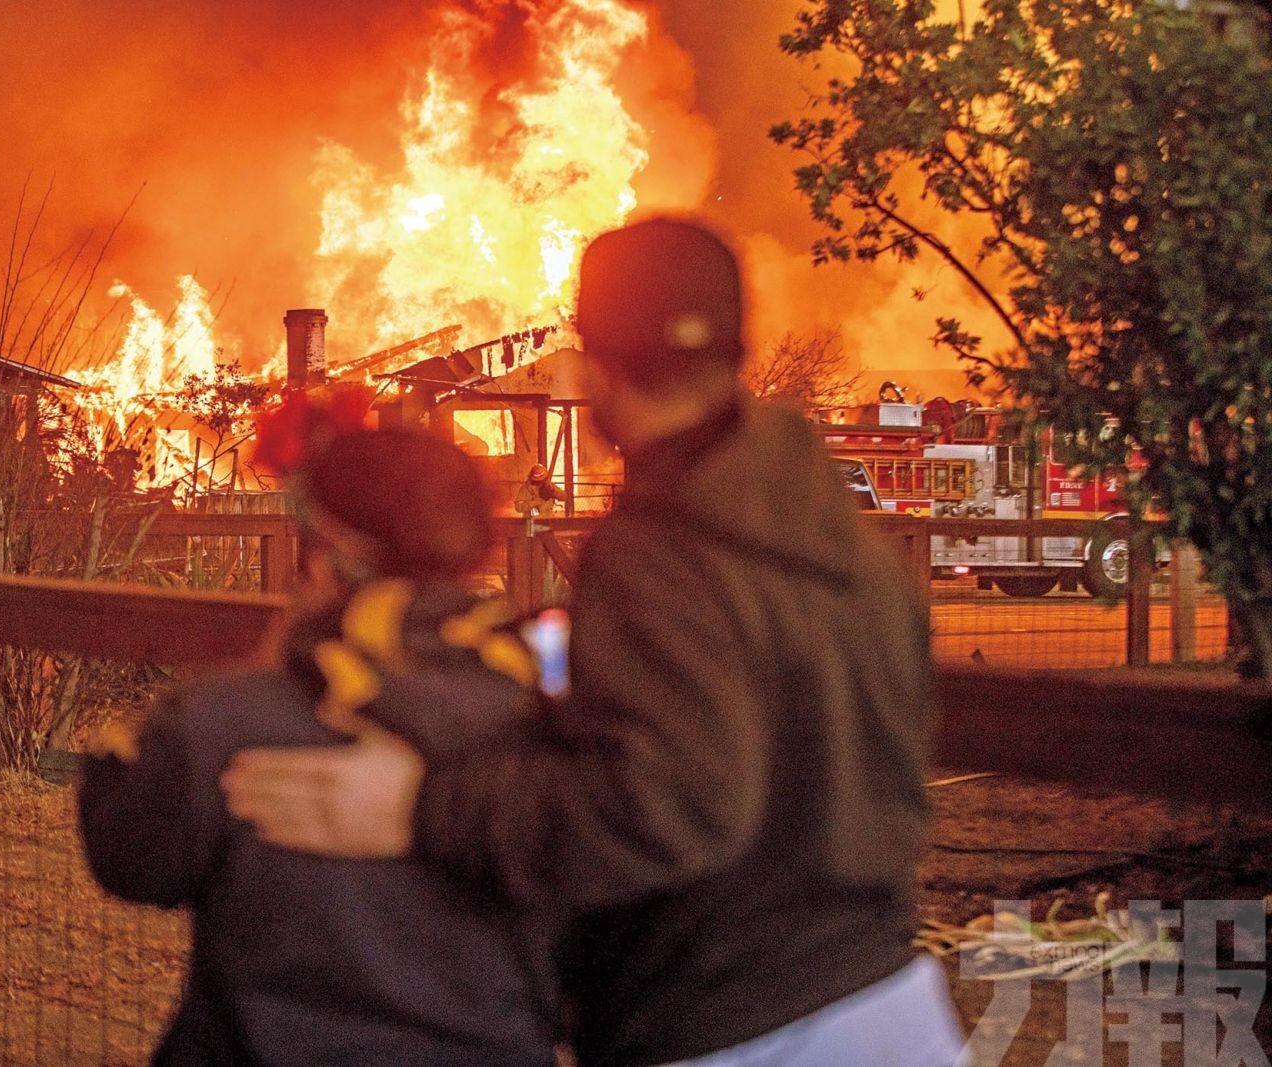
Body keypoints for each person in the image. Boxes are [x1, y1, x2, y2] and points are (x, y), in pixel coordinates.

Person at [221, 218, 967, 1066]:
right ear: (738, 347)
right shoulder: (843, 539)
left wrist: (419, 807)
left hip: (733, 1026)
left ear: (596, 362)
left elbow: (665, 800)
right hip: (895, 1010)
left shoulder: (660, 549)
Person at [78, 419, 559, 1066]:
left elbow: (134, 861)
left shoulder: (222, 722)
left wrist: (112, 757)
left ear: (320, 558)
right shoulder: (549, 724)